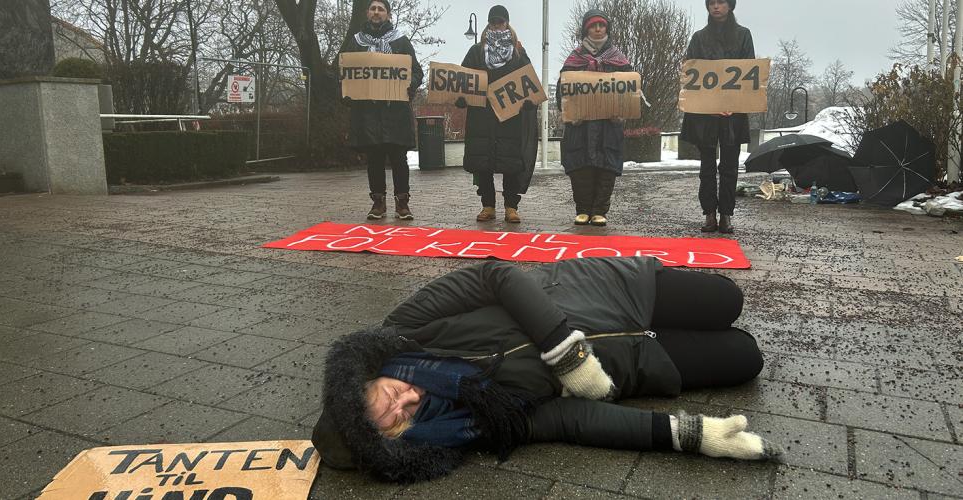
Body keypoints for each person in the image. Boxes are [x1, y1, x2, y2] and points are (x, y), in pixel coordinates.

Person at [312, 256, 783, 483]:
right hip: (633, 362)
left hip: (603, 293)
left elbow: (494, 274)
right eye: (397, 420)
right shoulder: (473, 427)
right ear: (399, 442)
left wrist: (564, 352)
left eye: (387, 396)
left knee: (727, 298)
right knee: (745, 357)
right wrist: (687, 434)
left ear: (363, 380)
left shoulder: (405, 330)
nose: (406, 400)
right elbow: (571, 421)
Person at [455, 5, 539, 224]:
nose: (497, 25)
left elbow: (529, 81)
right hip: (481, 118)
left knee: (510, 164)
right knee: (483, 164)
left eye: (501, 22)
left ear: (507, 24)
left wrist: (530, 102)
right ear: (488, 24)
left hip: (509, 119)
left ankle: (511, 206)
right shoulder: (475, 52)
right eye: (493, 22)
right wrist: (462, 98)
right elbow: (463, 81)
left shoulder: (518, 52)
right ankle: (488, 206)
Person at [344, 0, 423, 221]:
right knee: (374, 158)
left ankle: (402, 203)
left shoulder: (401, 41)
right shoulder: (356, 42)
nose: (376, 12)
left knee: (399, 158)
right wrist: (347, 91)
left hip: (395, 111)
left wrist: (410, 84)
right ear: (367, 13)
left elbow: (416, 71)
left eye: (381, 9)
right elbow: (346, 72)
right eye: (373, 8)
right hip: (368, 113)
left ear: (388, 14)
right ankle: (378, 203)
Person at [679, 0, 755, 234]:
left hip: (733, 113)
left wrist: (733, 104)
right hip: (705, 114)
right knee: (707, 167)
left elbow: (747, 72)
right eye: (712, 3)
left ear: (730, 6)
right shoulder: (699, 38)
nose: (716, 7)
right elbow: (691, 74)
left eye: (721, 2)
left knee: (730, 166)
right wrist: (708, 105)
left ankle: (726, 216)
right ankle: (709, 214)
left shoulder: (743, 35)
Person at [558, 9, 633, 227]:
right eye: (593, 26)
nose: (598, 29)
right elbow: (562, 91)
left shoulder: (620, 60)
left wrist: (622, 111)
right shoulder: (573, 59)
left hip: (608, 125)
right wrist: (570, 113)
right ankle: (582, 209)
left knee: (606, 167)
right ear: (586, 29)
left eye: (601, 25)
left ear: (607, 29)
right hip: (580, 126)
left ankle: (600, 210)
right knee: (581, 168)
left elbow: (630, 91)